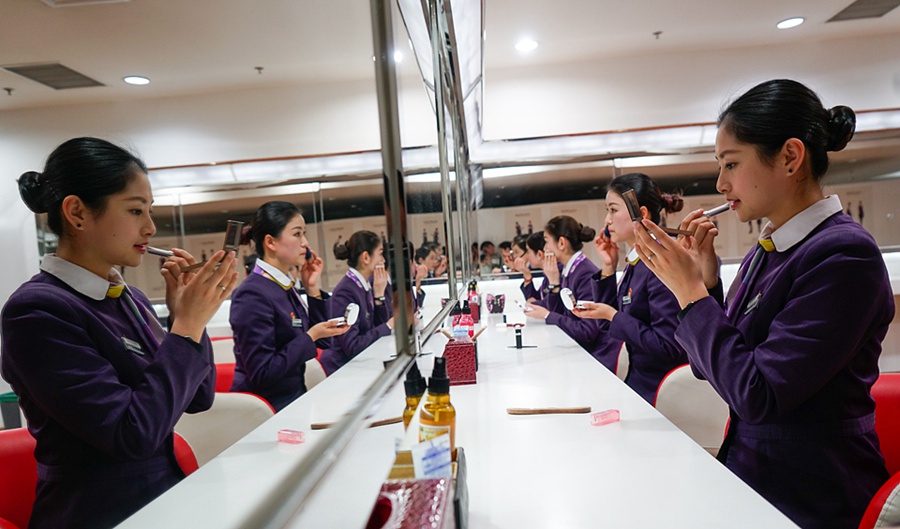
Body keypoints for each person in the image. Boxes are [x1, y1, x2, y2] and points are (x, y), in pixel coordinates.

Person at [632, 79, 892, 529]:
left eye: (731, 163)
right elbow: (714, 368)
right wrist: (707, 284)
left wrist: (691, 294)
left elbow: (758, 394)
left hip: (814, 494)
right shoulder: (766, 249)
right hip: (755, 476)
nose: (720, 182)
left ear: (790, 157)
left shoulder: (844, 255)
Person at [0, 137, 234, 528]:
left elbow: (199, 397)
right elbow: (132, 436)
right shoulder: (37, 311)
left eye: (150, 210)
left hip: (164, 502)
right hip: (101, 514)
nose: (150, 226)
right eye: (135, 210)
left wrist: (186, 321)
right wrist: (186, 328)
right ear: (76, 212)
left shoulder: (129, 297)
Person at [573, 173, 690, 402]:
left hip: (661, 393)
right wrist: (609, 266)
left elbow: (668, 347)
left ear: (642, 214)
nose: (607, 220)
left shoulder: (659, 264)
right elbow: (609, 327)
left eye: (613, 210)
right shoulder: (638, 262)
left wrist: (612, 315)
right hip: (638, 383)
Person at [229, 201, 348, 411]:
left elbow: (325, 344)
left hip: (293, 402)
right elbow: (262, 372)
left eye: (304, 234)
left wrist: (312, 288)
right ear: (271, 242)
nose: (305, 243)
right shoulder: (252, 294)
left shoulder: (282, 284)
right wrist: (310, 337)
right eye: (297, 234)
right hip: (265, 412)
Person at [525, 216, 621, 369]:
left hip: (598, 357)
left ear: (562, 243)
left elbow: (587, 331)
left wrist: (547, 315)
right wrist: (554, 283)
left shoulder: (584, 273)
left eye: (546, 241)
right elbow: (561, 314)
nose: (544, 248)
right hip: (582, 351)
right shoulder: (569, 271)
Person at [320, 230, 395, 375]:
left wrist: (379, 296)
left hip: (363, 364)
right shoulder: (346, 291)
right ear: (366, 257)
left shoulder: (364, 286)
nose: (384, 260)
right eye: (380, 253)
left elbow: (375, 329)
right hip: (344, 371)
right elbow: (353, 346)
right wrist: (388, 326)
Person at [515, 232, 547, 303]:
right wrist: (527, 275)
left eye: (528, 252)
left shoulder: (558, 274)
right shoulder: (547, 275)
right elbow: (533, 299)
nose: (527, 256)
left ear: (539, 254)